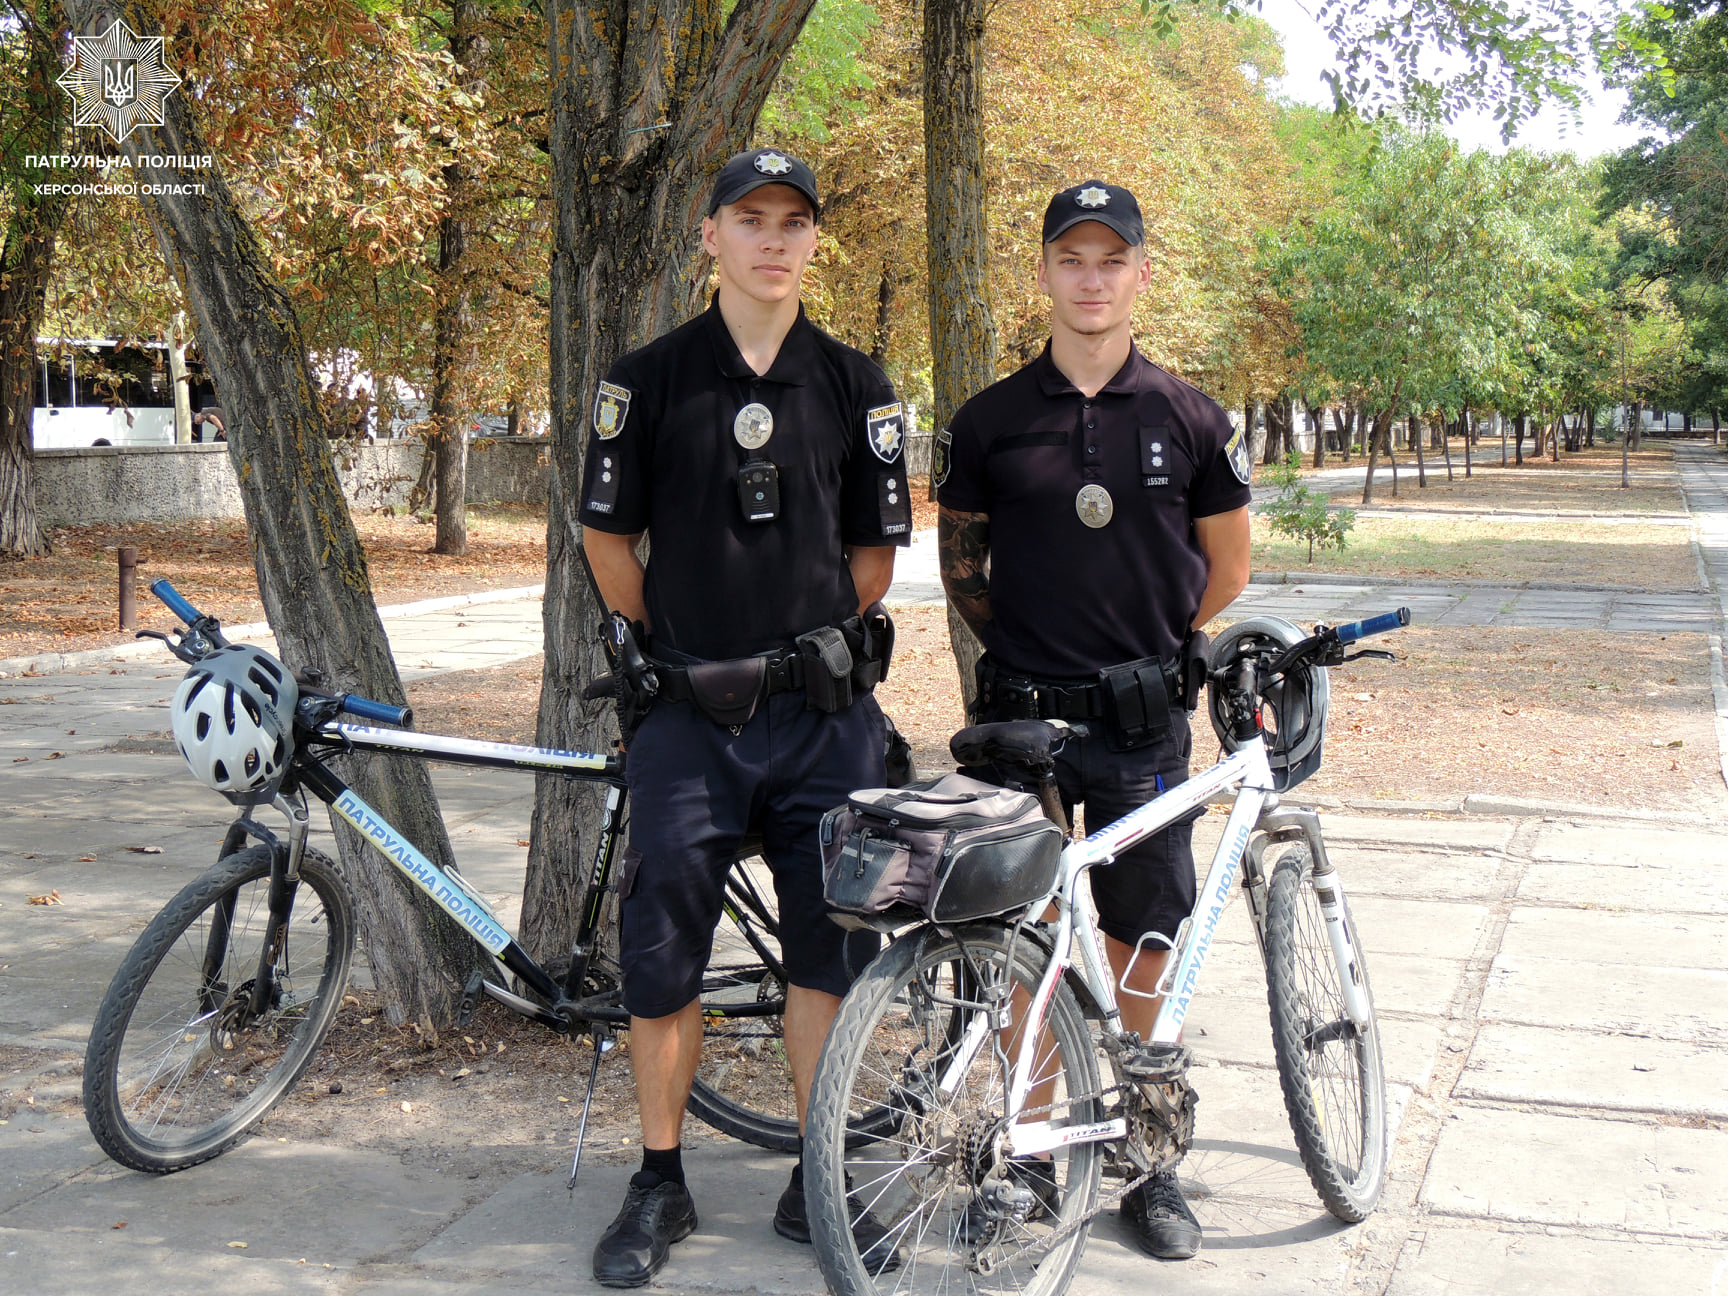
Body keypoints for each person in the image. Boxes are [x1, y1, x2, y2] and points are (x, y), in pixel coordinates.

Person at [579, 147, 913, 1288]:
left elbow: (872, 560)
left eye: (793, 222)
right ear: (709, 236)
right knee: (662, 951)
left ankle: (814, 1179)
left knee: (826, 952)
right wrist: (695, 655)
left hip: (826, 719)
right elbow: (607, 545)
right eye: (750, 219)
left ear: (816, 240)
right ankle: (659, 1181)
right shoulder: (647, 378)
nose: (773, 240)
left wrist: (789, 654)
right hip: (685, 722)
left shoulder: (862, 389)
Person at [935, 179, 1252, 1262]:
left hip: (1141, 727)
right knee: (1025, 943)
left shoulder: (1191, 417)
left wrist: (1146, 652)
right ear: (1044, 274)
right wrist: (1039, 649)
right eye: (1071, 258)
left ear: (1139, 274)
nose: (1091, 277)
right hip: (1020, 724)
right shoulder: (988, 421)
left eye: (1110, 259)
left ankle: (1148, 1161)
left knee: (1142, 937)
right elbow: (964, 574)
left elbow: (1228, 567)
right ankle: (1029, 1155)